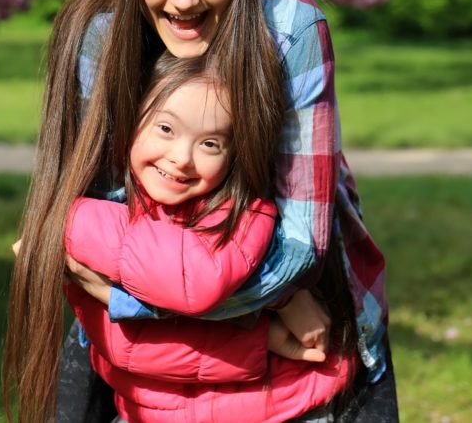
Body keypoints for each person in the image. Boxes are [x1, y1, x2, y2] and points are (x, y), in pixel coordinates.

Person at [4, 0, 397, 423]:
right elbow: (80, 218)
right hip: (145, 336)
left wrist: (143, 292)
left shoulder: (290, 25)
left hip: (306, 317)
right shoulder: (103, 33)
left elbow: (299, 243)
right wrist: (254, 307)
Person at [64, 51, 357, 423]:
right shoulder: (117, 197)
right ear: (134, 120)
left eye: (210, 144)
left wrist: (65, 222)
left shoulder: (246, 213)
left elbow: (196, 281)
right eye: (166, 129)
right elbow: (120, 346)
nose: (182, 157)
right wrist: (258, 337)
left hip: (274, 410)